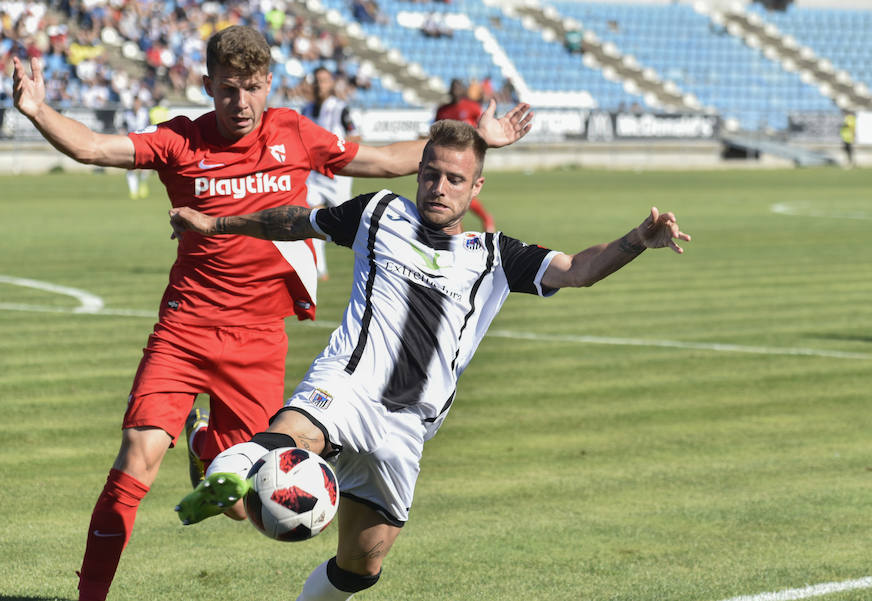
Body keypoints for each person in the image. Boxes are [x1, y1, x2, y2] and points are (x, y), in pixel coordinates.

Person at [10, 25, 533, 601]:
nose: (242, 102)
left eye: (254, 87)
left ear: (269, 85)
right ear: (208, 84)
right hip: (184, 327)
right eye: (230, 89)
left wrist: (476, 140)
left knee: (242, 503)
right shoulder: (180, 141)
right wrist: (37, 110)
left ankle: (206, 443)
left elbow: (384, 161)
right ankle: (90, 595)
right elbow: (94, 146)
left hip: (260, 338)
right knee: (136, 460)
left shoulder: (294, 133)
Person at [169, 119, 690, 601]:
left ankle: (212, 455)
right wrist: (215, 225)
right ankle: (233, 462)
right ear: (418, 174)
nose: (439, 187)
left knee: (359, 567)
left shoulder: (494, 256)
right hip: (349, 384)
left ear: (476, 188)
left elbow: (579, 269)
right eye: (431, 174)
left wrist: (635, 241)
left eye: (454, 179)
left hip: (407, 425)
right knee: (294, 439)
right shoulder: (378, 213)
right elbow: (296, 220)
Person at [301, 66, 362, 280]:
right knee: (312, 215)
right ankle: (320, 270)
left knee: (349, 222)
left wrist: (337, 150)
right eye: (317, 80)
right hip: (315, 176)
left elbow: (356, 136)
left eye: (324, 80)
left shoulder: (341, 109)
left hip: (338, 177)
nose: (320, 85)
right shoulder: (306, 110)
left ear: (331, 83)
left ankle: (371, 255)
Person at [435, 78, 495, 231]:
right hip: (446, 158)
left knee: (461, 191)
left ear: (462, 90)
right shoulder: (443, 110)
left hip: (467, 156)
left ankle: (484, 219)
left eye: (458, 87)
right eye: (453, 87)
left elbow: (482, 128)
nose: (455, 90)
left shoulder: (472, 107)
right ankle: (458, 230)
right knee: (453, 192)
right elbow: (436, 132)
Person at [122, 97, 151, 199]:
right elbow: (123, 127)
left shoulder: (145, 113)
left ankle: (143, 184)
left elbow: (150, 127)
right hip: (130, 142)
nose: (136, 105)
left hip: (144, 142)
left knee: (144, 167)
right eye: (135, 103)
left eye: (138, 103)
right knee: (130, 167)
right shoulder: (127, 114)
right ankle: (133, 191)